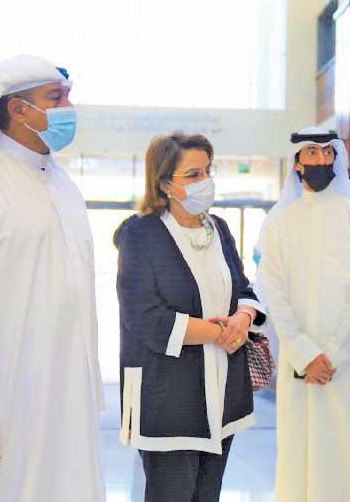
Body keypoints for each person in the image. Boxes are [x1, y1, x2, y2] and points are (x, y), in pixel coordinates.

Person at [0, 55, 105, 501]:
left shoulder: (63, 186)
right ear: (17, 109)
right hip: (3, 398)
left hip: (67, 394)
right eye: (56, 98)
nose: (68, 108)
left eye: (68, 97)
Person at [114, 132, 266, 502]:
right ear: (165, 184)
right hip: (169, 398)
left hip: (223, 393)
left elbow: (242, 288)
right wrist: (218, 332)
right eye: (194, 174)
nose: (206, 181)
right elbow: (145, 316)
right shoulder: (141, 233)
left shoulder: (218, 228)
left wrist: (243, 318)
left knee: (207, 494)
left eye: (208, 171)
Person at [256, 127, 350, 502]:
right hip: (299, 364)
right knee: (300, 455)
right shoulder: (278, 222)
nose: (320, 159)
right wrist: (304, 353)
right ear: (297, 163)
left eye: (327, 152)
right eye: (311, 152)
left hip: (347, 363)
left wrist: (333, 354)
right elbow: (273, 292)